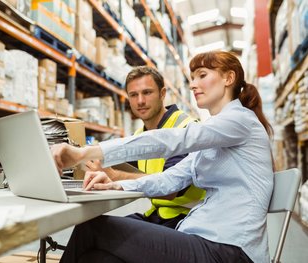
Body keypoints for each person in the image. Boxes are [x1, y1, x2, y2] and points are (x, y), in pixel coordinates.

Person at [52, 51, 274, 263]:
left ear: (229, 78)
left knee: (91, 228)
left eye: (202, 76)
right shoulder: (214, 136)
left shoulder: (239, 121)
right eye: (192, 78)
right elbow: (170, 179)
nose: (193, 84)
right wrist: (116, 185)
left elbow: (169, 140)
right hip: (201, 238)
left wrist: (83, 153)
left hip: (229, 250)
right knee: (98, 259)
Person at [85, 66, 205, 229]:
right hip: (158, 215)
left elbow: (170, 190)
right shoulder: (140, 134)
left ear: (162, 94)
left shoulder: (185, 129)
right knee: (89, 227)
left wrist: (114, 175)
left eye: (147, 92)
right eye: (133, 95)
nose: (140, 101)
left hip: (186, 219)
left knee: (94, 232)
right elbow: (122, 166)